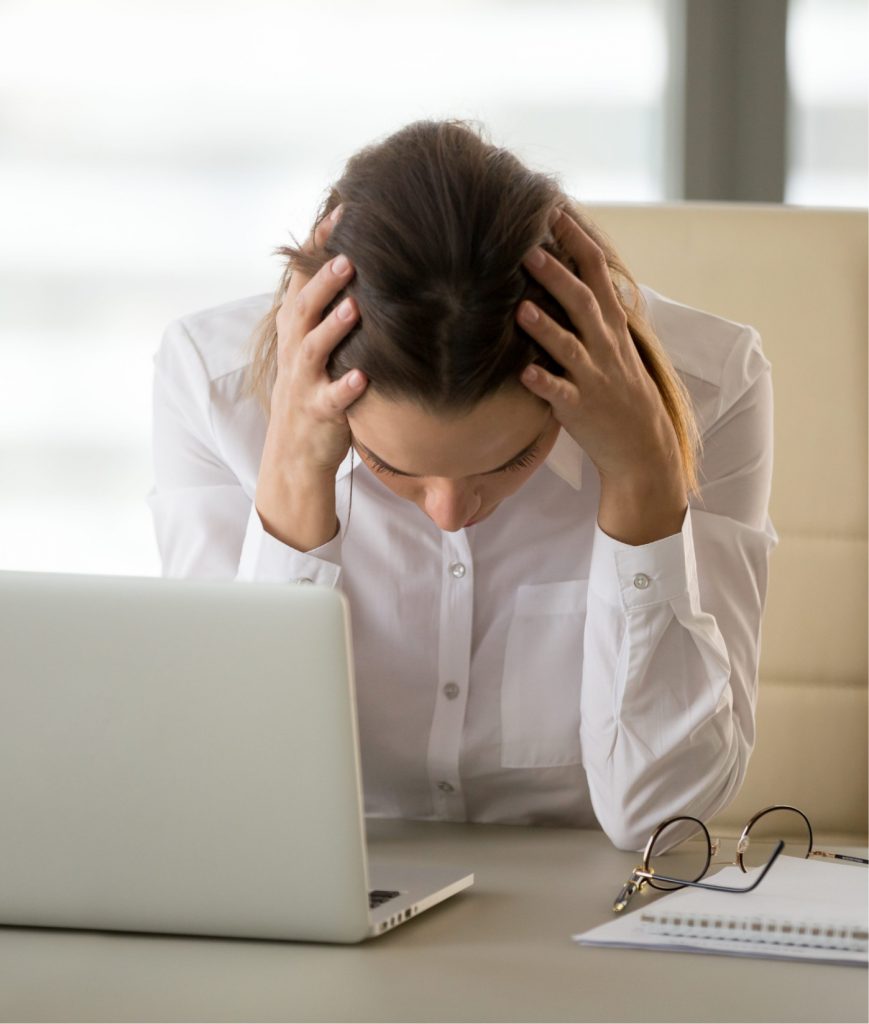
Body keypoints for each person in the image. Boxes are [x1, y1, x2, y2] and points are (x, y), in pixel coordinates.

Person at [148, 119, 776, 851]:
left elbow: (660, 818)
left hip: (588, 917)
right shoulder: (212, 386)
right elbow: (234, 804)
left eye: (510, 461)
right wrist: (292, 475)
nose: (449, 512)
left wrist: (642, 477)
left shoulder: (709, 390)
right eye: (392, 469)